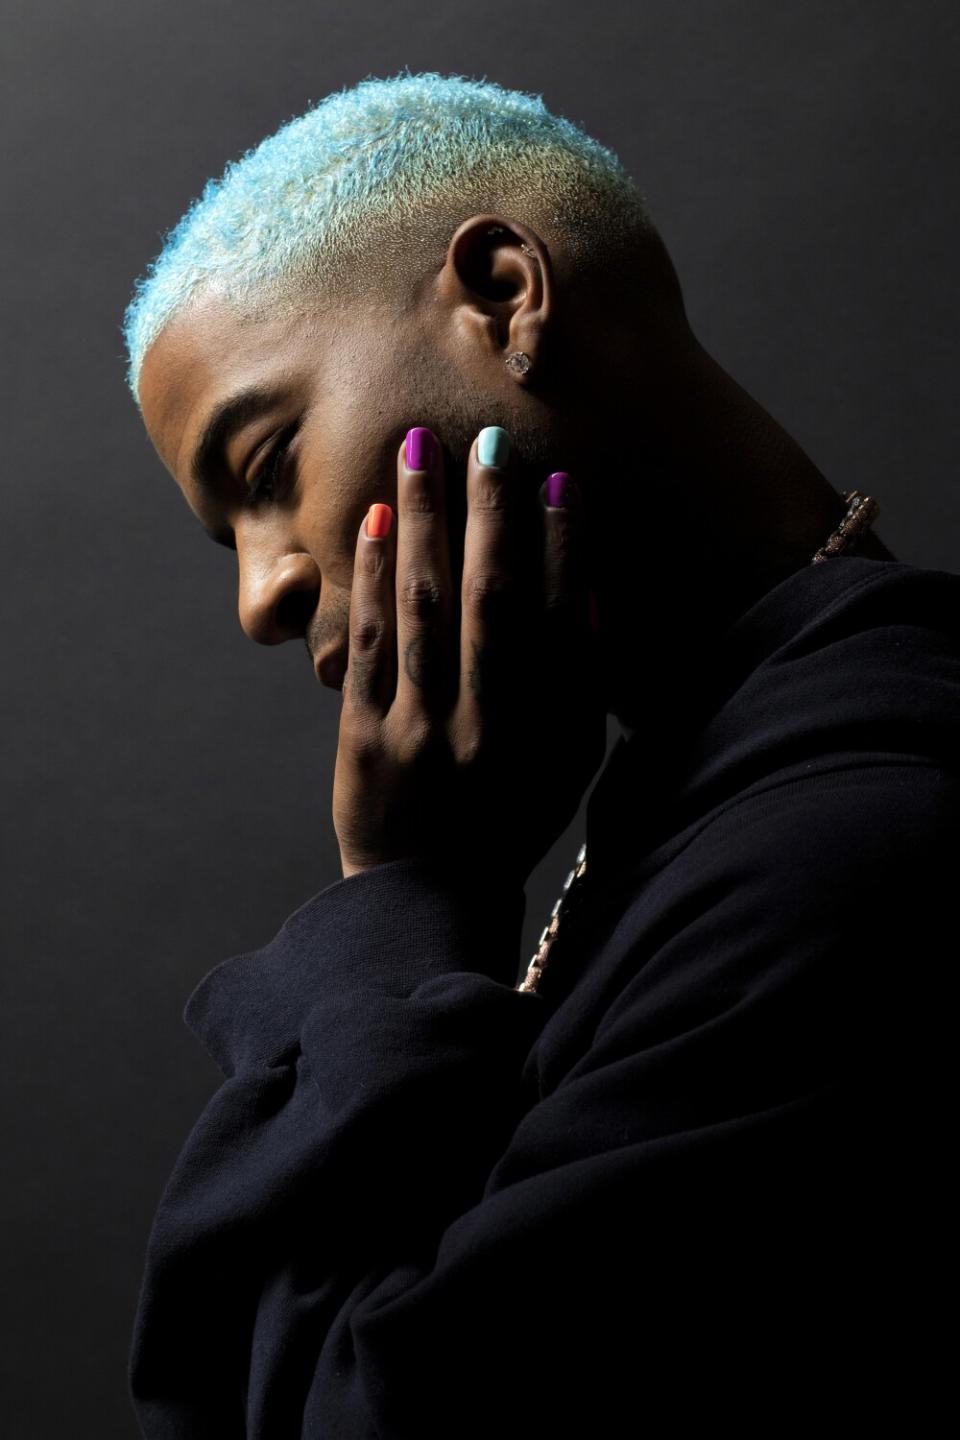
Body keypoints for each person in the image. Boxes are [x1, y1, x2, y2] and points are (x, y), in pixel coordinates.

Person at [121, 70, 959, 1436]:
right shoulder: (696, 800)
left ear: (507, 294)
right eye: (234, 541)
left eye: (267, 464)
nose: (262, 600)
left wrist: (401, 902)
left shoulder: (851, 855)